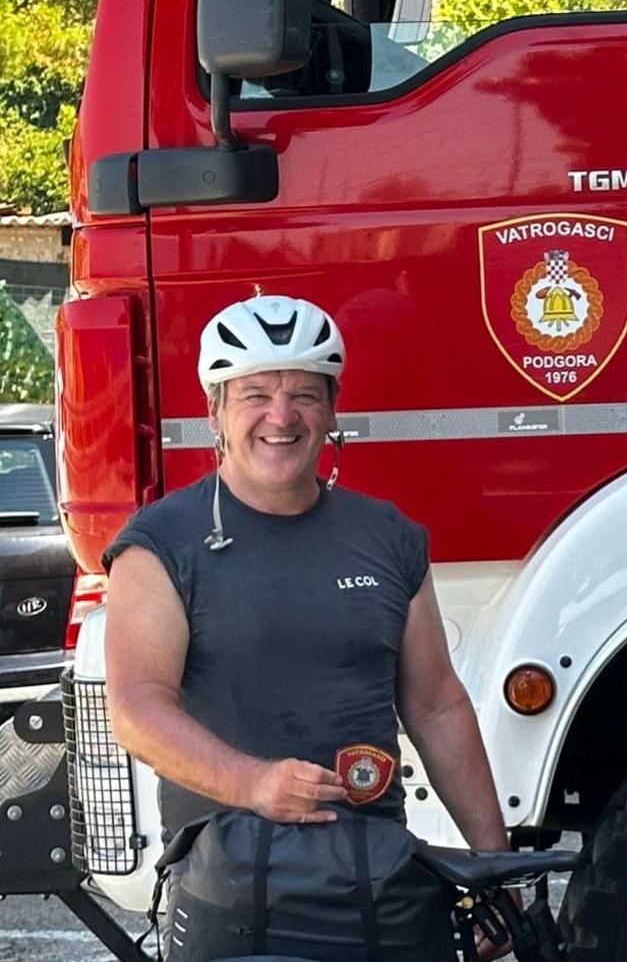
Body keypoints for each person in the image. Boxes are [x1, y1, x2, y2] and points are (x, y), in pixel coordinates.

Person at [103, 294, 509, 957]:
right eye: (254, 393)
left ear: (331, 408)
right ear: (215, 411)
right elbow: (137, 707)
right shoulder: (159, 543)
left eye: (303, 394)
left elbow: (436, 703)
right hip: (229, 886)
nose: (281, 416)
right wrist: (252, 783)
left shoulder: (388, 535)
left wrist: (493, 865)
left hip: (374, 878)